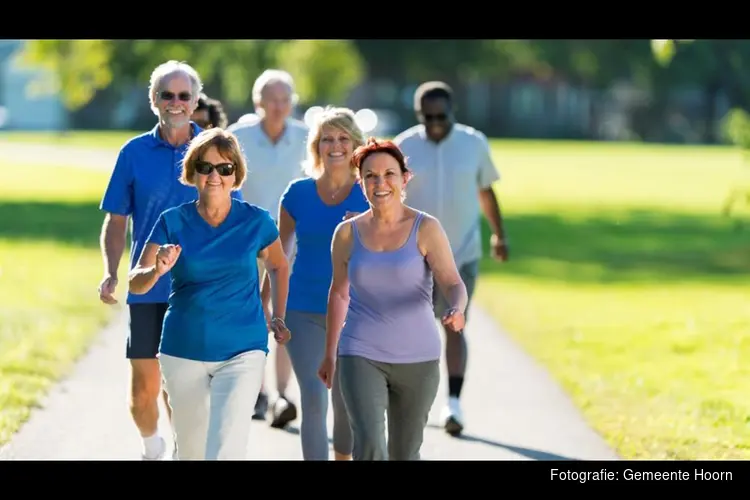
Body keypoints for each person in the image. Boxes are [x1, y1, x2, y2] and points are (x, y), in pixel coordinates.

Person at [128, 127, 291, 460]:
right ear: (192, 173)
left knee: (225, 447)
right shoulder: (171, 221)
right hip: (183, 349)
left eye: (225, 168)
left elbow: (278, 266)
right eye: (205, 167)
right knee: (190, 450)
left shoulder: (257, 222)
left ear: (236, 175)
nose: (214, 175)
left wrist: (276, 314)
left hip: (243, 350)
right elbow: (135, 282)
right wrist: (157, 269)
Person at [98, 60, 233, 460]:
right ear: (154, 100)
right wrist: (109, 272)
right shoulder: (133, 152)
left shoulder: (216, 150)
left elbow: (234, 217)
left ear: (195, 102)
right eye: (167, 95)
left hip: (199, 290)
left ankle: (184, 451)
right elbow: (116, 219)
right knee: (144, 388)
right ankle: (151, 446)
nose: (175, 103)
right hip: (148, 285)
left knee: (186, 385)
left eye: (184, 96)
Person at [318, 137, 468, 460]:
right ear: (361, 183)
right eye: (370, 176)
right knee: (370, 446)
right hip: (360, 352)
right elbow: (339, 292)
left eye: (389, 174)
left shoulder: (426, 228)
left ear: (404, 178)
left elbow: (453, 282)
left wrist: (458, 307)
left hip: (419, 358)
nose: (380, 183)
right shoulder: (346, 233)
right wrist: (330, 353)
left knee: (404, 453)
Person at [393, 81, 509, 437]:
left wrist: (499, 235)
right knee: (413, 329)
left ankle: (454, 403)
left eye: (441, 116)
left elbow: (486, 191)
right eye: (427, 117)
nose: (434, 124)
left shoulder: (473, 143)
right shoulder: (405, 146)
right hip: (414, 257)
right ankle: (409, 400)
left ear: (452, 111)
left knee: (455, 324)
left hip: (462, 253)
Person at [278, 106, 369, 460]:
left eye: (343, 138)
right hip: (303, 310)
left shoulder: (370, 195)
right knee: (314, 399)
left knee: (346, 401)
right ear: (316, 146)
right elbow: (279, 259)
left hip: (357, 315)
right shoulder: (297, 194)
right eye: (327, 139)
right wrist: (271, 309)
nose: (335, 145)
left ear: (355, 145)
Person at [230, 69, 308, 428]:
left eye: (284, 100)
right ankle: (257, 392)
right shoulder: (238, 137)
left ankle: (281, 395)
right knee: (252, 317)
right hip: (247, 241)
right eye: (271, 100)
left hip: (292, 243)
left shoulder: (308, 138)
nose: (278, 107)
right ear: (257, 102)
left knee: (285, 317)